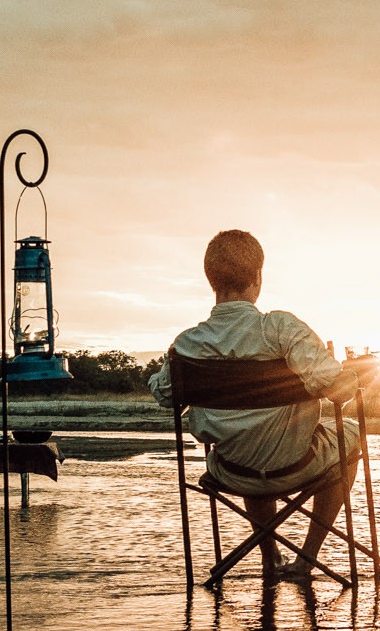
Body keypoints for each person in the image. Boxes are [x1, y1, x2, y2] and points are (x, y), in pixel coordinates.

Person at [149, 230, 365, 584]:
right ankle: (307, 558)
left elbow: (163, 395)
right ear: (258, 277)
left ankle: (270, 557)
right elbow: (339, 392)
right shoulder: (281, 329)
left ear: (211, 280)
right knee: (351, 438)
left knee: (247, 440)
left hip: (231, 471)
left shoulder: (187, 344)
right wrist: (354, 376)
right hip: (296, 466)